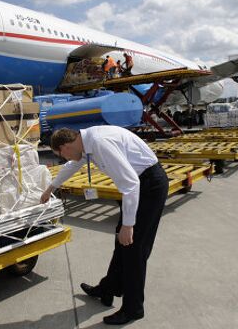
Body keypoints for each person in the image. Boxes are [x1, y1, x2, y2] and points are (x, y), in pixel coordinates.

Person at [40, 127, 168, 325]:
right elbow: (72, 166)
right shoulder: (86, 143)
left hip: (149, 186)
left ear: (65, 146)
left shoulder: (99, 143)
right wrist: (51, 187)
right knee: (122, 244)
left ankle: (133, 309)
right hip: (140, 184)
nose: (65, 159)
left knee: (134, 249)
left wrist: (128, 225)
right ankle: (107, 290)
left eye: (61, 155)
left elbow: (131, 183)